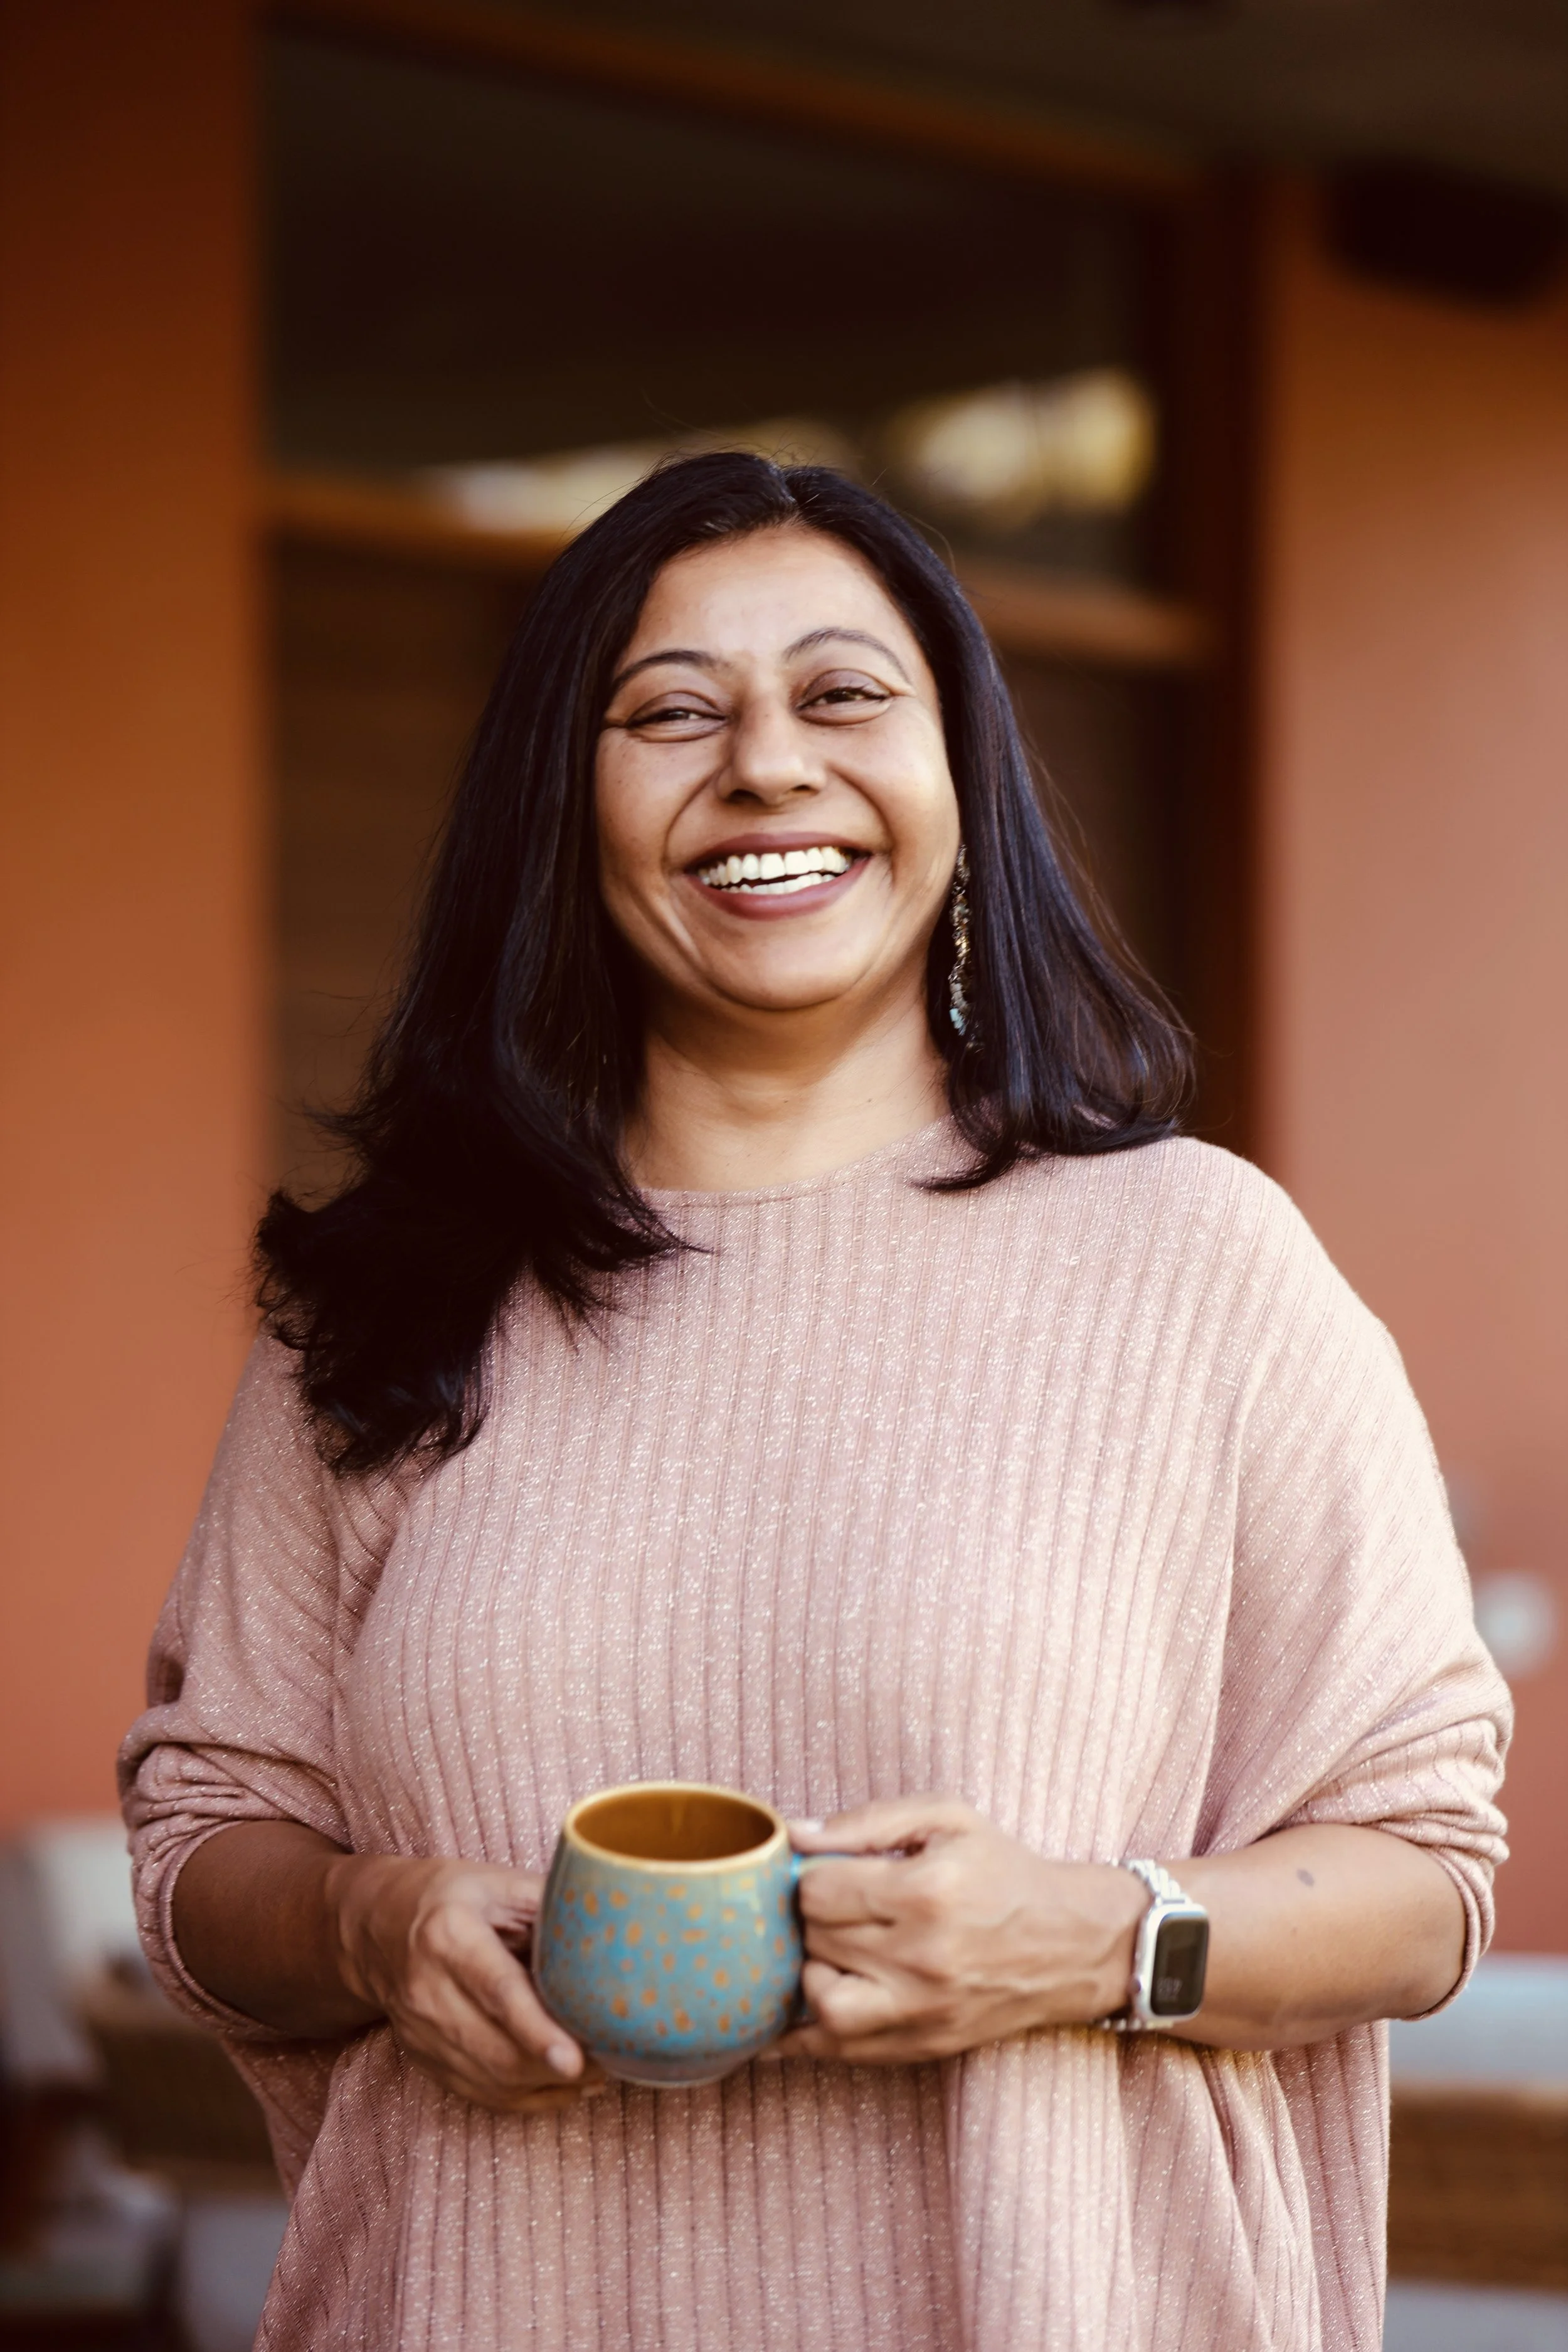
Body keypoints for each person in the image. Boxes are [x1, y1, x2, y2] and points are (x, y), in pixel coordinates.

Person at [121, 453, 1508, 2352]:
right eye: (669, 711)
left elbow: (1423, 1872)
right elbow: (203, 1842)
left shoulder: (1197, 1264)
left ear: (960, 786)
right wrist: (369, 1923)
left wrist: (1094, 1935)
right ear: (565, 807)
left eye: (844, 694)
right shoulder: (385, 1304)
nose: (764, 764)